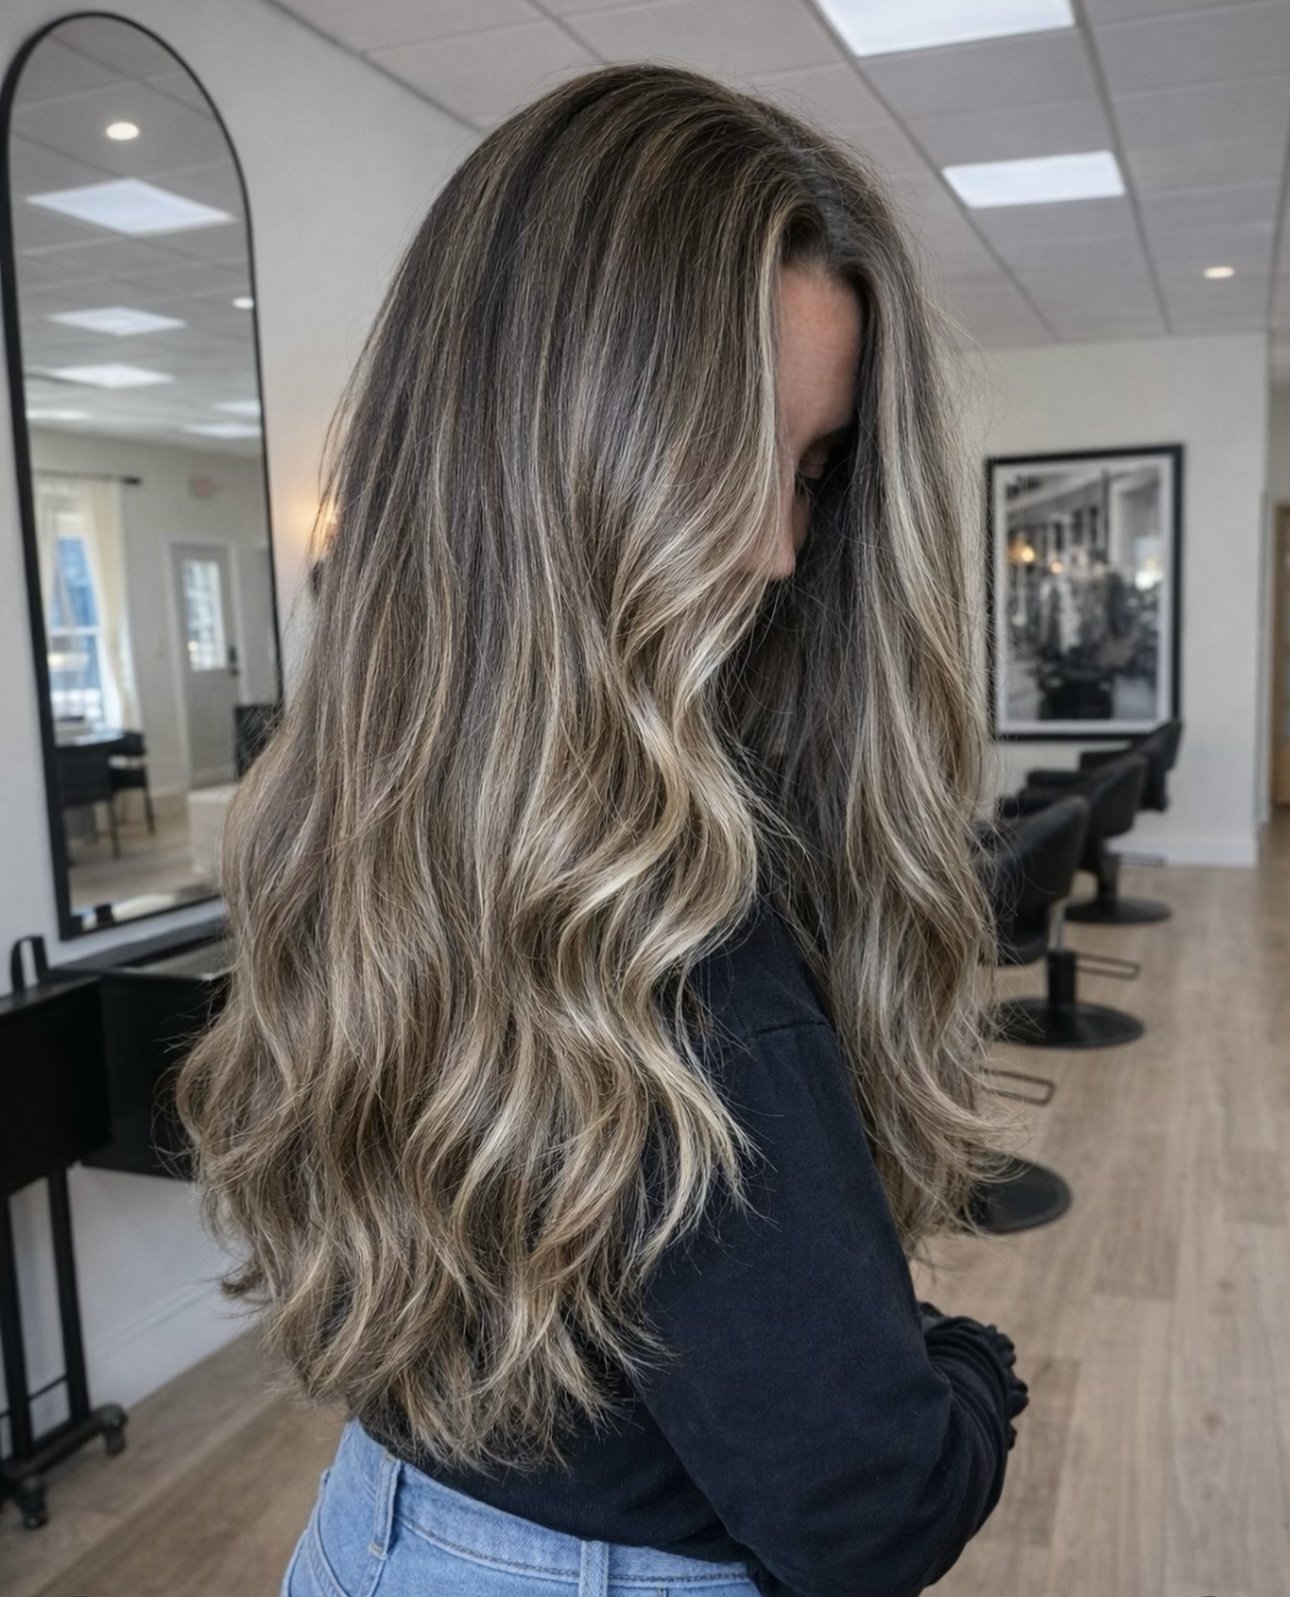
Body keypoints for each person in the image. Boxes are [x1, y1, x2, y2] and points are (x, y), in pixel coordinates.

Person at [174, 61, 1030, 1597]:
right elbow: (874, 1514)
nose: (778, 550)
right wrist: (970, 1360)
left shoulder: (371, 813)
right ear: (551, 455)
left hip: (369, 1532)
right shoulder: (691, 956)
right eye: (724, 460)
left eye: (812, 472)